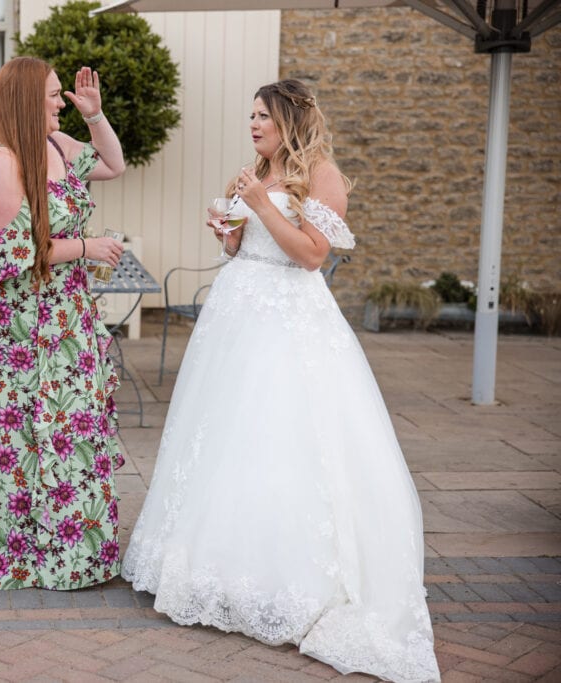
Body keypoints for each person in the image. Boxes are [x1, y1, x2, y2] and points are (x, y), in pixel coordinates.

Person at [121, 80, 440, 683]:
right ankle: (216, 562)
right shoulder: (257, 170)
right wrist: (229, 233)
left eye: (262, 115)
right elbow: (248, 249)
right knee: (227, 439)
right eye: (250, 115)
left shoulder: (322, 175)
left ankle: (288, 577)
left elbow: (313, 255)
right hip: (238, 316)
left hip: (290, 324)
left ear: (289, 118)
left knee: (282, 436)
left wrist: (261, 207)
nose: (253, 123)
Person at [0, 57, 127, 590]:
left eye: (62, 94)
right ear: (24, 101)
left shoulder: (57, 147)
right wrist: (90, 246)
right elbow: (14, 254)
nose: (61, 102)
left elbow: (114, 163)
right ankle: (7, 552)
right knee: (9, 438)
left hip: (64, 322)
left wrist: (95, 114)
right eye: (54, 95)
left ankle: (70, 554)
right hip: (13, 333)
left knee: (66, 433)